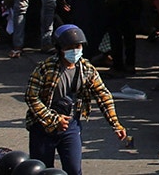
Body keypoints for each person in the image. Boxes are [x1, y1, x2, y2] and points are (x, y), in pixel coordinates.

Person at [25, 24, 128, 175]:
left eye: (77, 46)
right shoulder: (45, 69)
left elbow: (103, 95)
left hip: (71, 125)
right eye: (69, 47)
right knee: (43, 170)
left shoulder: (87, 69)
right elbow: (31, 97)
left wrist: (116, 124)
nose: (74, 50)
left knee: (74, 169)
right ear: (60, 49)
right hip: (43, 127)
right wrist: (53, 120)